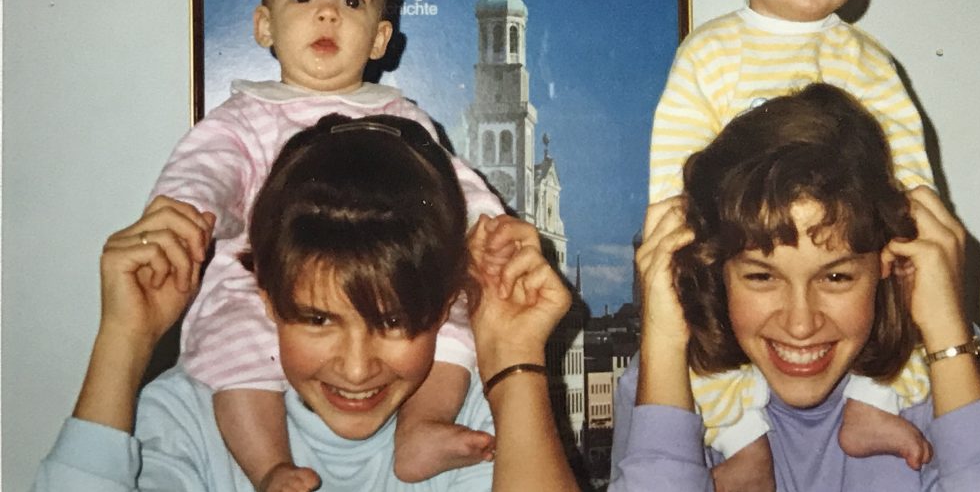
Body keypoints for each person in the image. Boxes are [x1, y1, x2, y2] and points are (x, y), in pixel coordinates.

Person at [33, 114, 580, 491]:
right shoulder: (186, 422)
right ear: (266, 298)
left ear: (441, 309)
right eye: (318, 319)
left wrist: (515, 357)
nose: (357, 368)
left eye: (393, 322)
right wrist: (122, 344)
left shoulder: (476, 428)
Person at [149, 0, 507, 489]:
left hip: (386, 278)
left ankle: (425, 424)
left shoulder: (400, 118)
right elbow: (203, 170)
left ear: (380, 38)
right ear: (264, 25)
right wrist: (186, 211)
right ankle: (268, 466)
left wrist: (489, 227)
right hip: (263, 279)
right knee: (235, 332)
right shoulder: (243, 118)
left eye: (352, 1)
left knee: (455, 310)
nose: (327, 13)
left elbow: (450, 184)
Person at [648, 0, 936, 489]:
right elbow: (675, 157)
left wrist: (909, 230)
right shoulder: (709, 54)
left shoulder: (871, 63)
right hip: (743, 244)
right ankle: (739, 437)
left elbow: (911, 169)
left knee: (906, 295)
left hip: (844, 249)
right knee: (697, 317)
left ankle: (875, 404)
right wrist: (683, 232)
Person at [613, 83, 980, 491]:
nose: (800, 324)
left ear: (887, 263)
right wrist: (663, 345)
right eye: (761, 276)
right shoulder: (663, 380)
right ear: (717, 272)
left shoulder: (953, 362)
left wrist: (949, 334)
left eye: (835, 277)